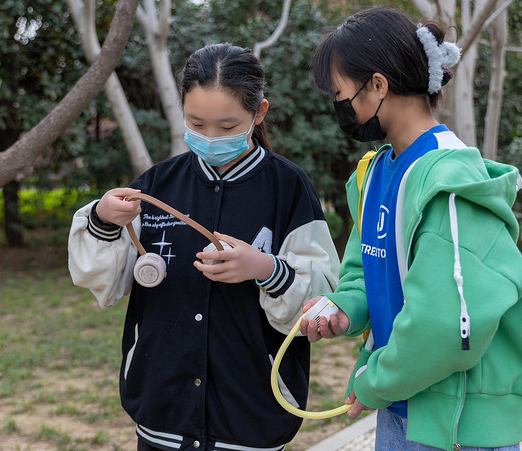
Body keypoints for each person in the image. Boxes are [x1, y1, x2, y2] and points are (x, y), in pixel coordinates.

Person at [68, 43, 340, 451]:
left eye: (227, 127)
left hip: (250, 416)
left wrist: (266, 269)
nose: (210, 138)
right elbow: (102, 280)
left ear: (259, 113)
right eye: (196, 123)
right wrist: (103, 221)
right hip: (163, 414)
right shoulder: (156, 186)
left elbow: (323, 295)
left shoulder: (288, 187)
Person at [299, 7, 522, 451]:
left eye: (340, 94)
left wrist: (376, 381)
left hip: (459, 424)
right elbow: (363, 273)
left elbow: (448, 327)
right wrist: (341, 308)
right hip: (401, 408)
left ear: (377, 85)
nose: (339, 108)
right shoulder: (374, 174)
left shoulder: (449, 181)